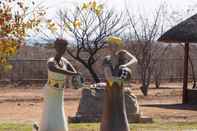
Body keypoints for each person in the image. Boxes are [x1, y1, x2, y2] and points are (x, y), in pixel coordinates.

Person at [39, 38, 78, 131]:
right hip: (50, 91)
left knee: (58, 111)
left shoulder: (64, 61)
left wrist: (76, 79)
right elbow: (53, 68)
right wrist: (72, 74)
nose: (62, 49)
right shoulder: (51, 61)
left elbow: (74, 71)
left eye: (64, 46)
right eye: (60, 46)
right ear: (55, 47)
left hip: (60, 91)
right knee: (50, 111)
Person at [100, 36, 137, 131]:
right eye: (111, 45)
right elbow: (108, 76)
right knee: (109, 108)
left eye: (115, 45)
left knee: (120, 109)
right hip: (111, 88)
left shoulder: (122, 56)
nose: (113, 47)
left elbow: (134, 60)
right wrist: (120, 79)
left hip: (119, 88)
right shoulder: (106, 59)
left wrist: (125, 65)